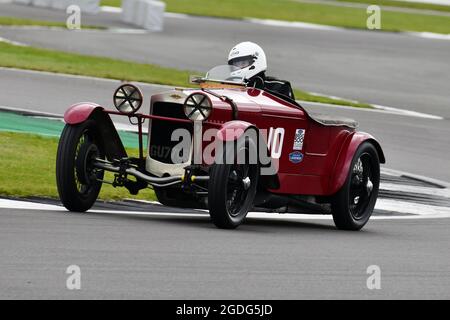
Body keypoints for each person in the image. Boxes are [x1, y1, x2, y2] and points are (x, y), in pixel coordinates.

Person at [227, 41, 295, 100]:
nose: (238, 67)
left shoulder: (278, 87)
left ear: (256, 60)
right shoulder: (229, 88)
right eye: (235, 65)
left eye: (243, 63)